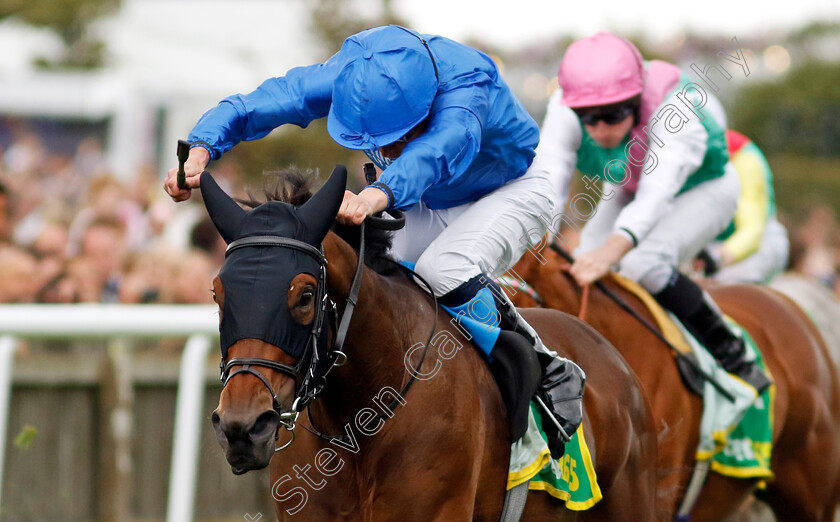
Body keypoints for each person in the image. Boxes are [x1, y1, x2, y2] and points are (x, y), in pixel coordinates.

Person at [163, 24, 584, 456]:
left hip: (512, 189)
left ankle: (548, 368)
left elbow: (433, 154)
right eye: (381, 143)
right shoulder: (350, 77)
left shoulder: (468, 84)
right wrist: (200, 148)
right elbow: (260, 103)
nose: (390, 150)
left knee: (444, 268)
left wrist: (376, 194)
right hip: (424, 195)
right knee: (382, 286)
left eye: (399, 137)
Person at [529, 32, 770, 395]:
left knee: (644, 263)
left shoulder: (677, 111)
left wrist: (610, 252)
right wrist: (538, 240)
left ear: (637, 100)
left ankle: (730, 349)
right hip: (630, 186)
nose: (600, 129)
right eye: (587, 118)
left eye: (612, 115)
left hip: (705, 190)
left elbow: (656, 197)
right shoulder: (564, 105)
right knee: (575, 265)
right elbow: (550, 178)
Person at [695, 130, 789, 284]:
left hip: (760, 246)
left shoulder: (745, 157)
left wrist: (717, 257)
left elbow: (752, 230)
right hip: (711, 246)